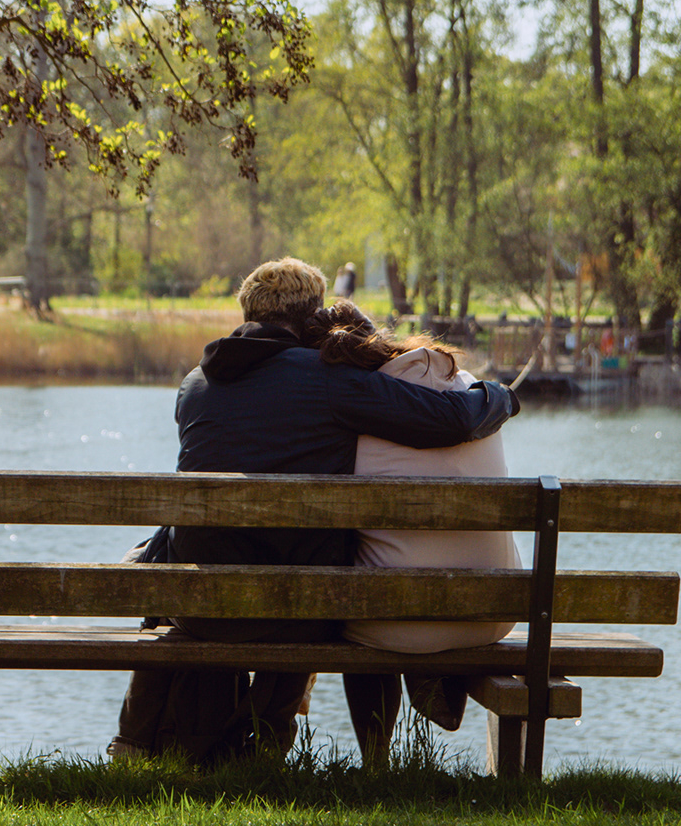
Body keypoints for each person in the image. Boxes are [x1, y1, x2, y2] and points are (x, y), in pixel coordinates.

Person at [110, 258, 519, 764]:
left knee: (168, 547)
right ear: (310, 319)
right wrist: (500, 396)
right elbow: (446, 419)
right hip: (299, 606)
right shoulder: (327, 380)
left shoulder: (195, 384)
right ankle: (265, 743)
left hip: (200, 607)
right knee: (310, 572)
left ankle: (139, 741)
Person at [302, 301, 519, 763]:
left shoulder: (359, 415)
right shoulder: (466, 389)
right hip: (494, 613)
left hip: (397, 622)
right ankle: (432, 682)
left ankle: (377, 763)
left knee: (357, 595)